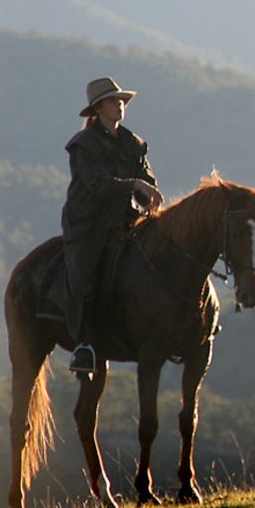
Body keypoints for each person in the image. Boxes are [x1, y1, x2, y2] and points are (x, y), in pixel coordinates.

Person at [62, 77, 162, 374]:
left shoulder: (134, 143)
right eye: (113, 101)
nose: (120, 105)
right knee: (86, 277)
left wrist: (149, 199)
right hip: (89, 223)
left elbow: (148, 181)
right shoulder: (84, 144)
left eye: (122, 101)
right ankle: (85, 344)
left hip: (126, 219)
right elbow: (97, 185)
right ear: (98, 108)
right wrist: (136, 185)